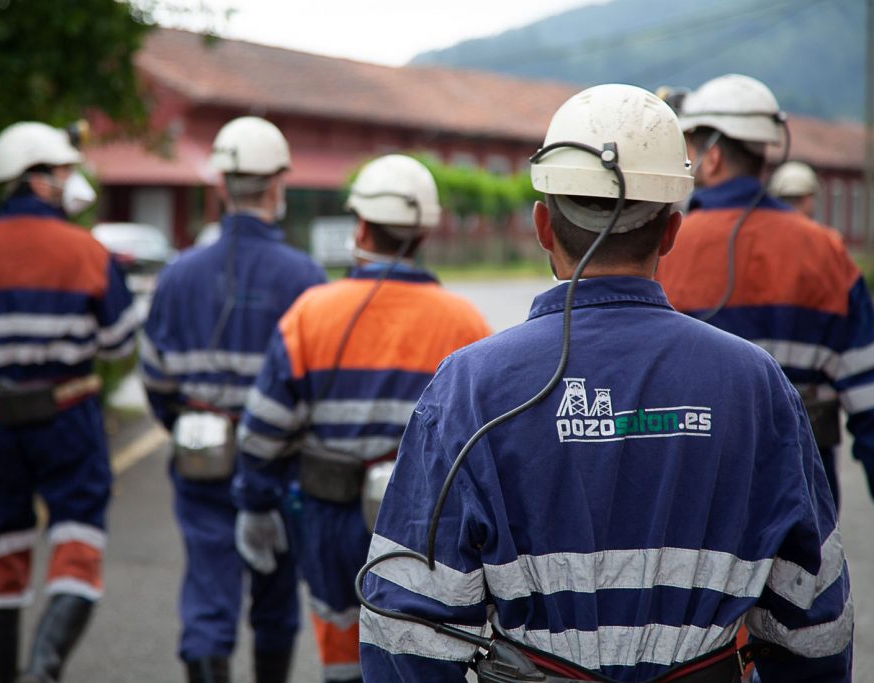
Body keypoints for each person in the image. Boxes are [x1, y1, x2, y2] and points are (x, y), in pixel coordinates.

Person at [359, 84, 852, 681]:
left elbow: (407, 633)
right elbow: (816, 623)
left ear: (543, 225)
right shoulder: (758, 386)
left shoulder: (468, 386)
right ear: (671, 230)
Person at [233, 154, 492, 683]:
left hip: (328, 517)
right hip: (424, 530)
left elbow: (264, 431)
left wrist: (256, 505)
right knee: (413, 652)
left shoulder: (310, 312)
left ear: (361, 226)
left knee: (342, 654)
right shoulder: (466, 323)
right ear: (423, 234)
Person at [0, 121, 139, 683]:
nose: (69, 182)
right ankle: (44, 667)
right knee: (78, 535)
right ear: (34, 180)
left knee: (1, 542)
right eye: (61, 172)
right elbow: (119, 342)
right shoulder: (85, 249)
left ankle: (5, 673)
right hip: (66, 415)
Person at [139, 116, 326, 683]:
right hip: (281, 467)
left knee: (207, 594)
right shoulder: (307, 277)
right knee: (275, 597)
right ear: (277, 186)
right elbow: (317, 388)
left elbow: (155, 379)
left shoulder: (176, 276)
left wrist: (187, 423)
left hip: (203, 457)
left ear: (222, 187)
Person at [655, 73, 874, 510]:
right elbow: (869, 406)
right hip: (802, 514)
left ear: (711, 158)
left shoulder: (663, 250)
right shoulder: (828, 252)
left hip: (690, 515)